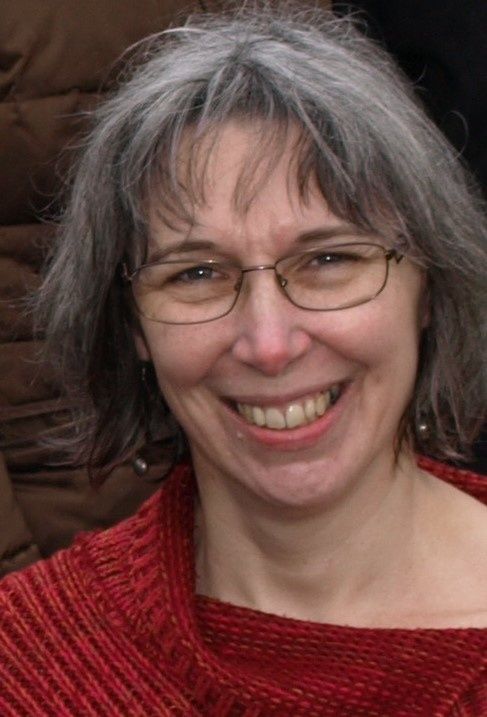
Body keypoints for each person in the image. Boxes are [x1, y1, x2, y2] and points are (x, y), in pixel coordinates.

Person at [0, 4, 486, 714]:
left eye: (328, 260)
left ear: (429, 286)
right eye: (195, 273)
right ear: (130, 322)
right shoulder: (27, 665)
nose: (269, 343)